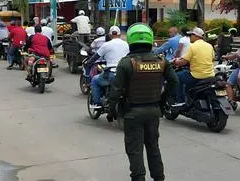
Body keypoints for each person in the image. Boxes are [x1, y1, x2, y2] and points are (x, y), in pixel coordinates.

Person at [107, 23, 178, 181]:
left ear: (131, 41)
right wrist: (162, 101)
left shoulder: (126, 63)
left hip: (132, 113)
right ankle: (159, 178)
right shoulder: (162, 61)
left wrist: (111, 110)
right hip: (153, 111)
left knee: (135, 150)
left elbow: (115, 90)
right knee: (153, 147)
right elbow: (174, 82)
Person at [87, 26, 130, 108]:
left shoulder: (106, 45)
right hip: (125, 74)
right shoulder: (126, 44)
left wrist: (88, 63)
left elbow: (95, 57)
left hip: (111, 73)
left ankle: (97, 103)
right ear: (120, 34)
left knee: (95, 80)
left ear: (110, 35)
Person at [172, 27, 215, 103]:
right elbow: (212, 59)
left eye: (191, 35)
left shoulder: (192, 46)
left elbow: (183, 62)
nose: (190, 37)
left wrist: (175, 62)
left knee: (176, 76)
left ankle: (180, 101)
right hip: (210, 75)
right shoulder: (209, 46)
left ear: (196, 36)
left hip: (196, 75)